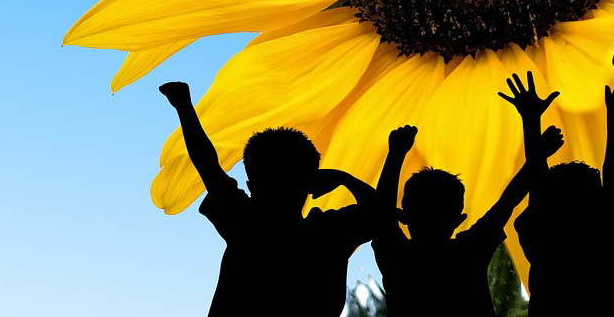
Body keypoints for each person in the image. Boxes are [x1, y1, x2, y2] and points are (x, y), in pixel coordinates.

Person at [158, 81, 374, 317]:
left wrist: (184, 107)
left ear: (252, 185)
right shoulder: (329, 233)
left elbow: (207, 164)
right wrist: (345, 179)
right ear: (312, 182)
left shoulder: (245, 222)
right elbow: (380, 213)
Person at [373, 74, 563, 317]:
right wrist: (531, 123)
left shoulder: (397, 258)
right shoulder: (468, 252)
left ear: (403, 215)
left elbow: (380, 216)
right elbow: (512, 197)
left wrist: (396, 154)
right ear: (459, 219)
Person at [513, 68, 614, 316]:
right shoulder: (607, 229)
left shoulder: (544, 233)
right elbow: (612, 167)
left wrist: (530, 118)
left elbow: (537, 175)